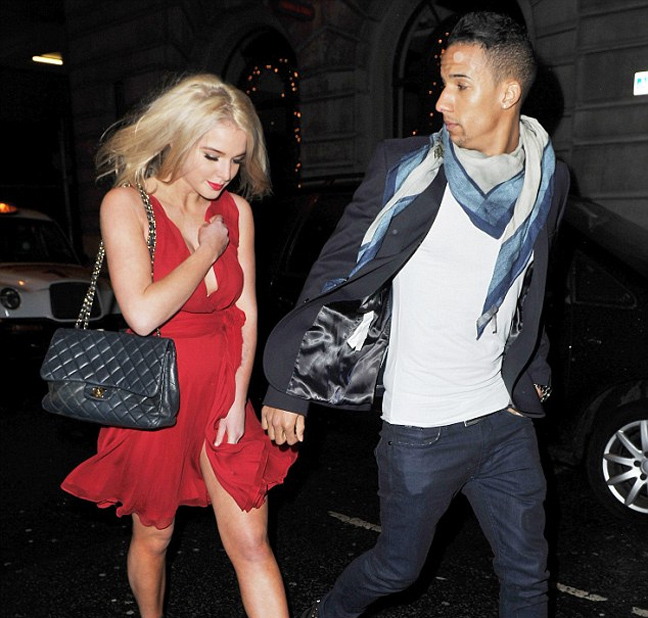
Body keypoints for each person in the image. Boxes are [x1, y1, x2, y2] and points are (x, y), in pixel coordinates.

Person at [261, 11, 570, 618]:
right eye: (442, 83)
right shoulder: (406, 167)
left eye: (460, 84)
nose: (441, 101)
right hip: (420, 427)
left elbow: (535, 287)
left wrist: (533, 374)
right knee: (397, 569)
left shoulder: (549, 179)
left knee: (528, 574)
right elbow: (336, 274)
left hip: (503, 418)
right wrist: (290, 388)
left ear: (508, 92)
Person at [61, 74, 297, 618]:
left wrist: (236, 400)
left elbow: (246, 310)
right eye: (212, 156)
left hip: (223, 387)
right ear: (177, 138)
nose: (226, 173)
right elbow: (143, 314)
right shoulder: (127, 204)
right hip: (156, 394)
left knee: (252, 543)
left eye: (237, 160)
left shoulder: (236, 212)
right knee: (154, 538)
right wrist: (207, 250)